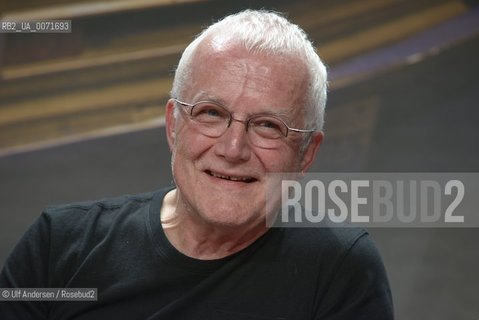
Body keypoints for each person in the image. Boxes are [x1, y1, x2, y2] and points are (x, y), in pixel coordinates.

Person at [0, 9, 393, 319]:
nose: (233, 147)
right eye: (210, 113)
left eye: (269, 125)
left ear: (306, 153)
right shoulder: (59, 246)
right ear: (173, 124)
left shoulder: (339, 270)